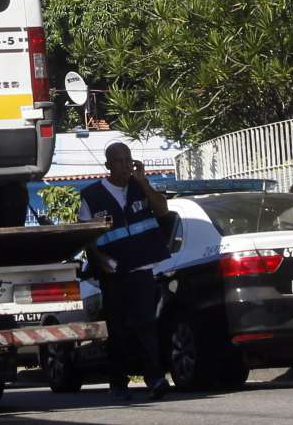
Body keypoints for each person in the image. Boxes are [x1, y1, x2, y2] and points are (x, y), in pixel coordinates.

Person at [80, 143, 172, 401]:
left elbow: (163, 210)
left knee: (146, 325)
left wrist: (144, 183)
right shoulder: (92, 195)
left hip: (141, 268)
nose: (125, 165)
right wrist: (100, 258)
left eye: (128, 160)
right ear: (108, 165)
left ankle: (155, 379)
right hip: (113, 274)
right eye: (118, 161)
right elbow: (86, 236)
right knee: (118, 331)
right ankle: (118, 383)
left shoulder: (140, 189)